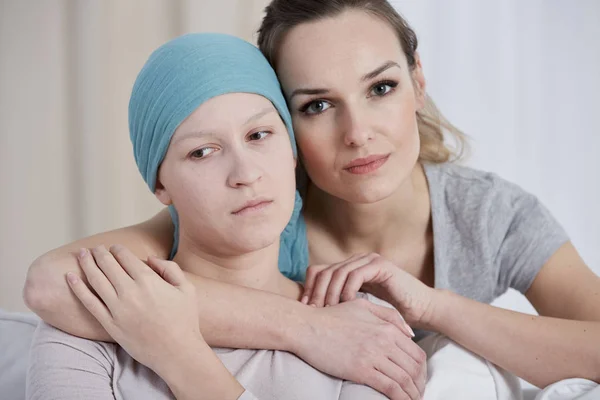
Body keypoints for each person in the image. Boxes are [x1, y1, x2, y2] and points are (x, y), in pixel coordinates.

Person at [24, 0, 600, 392]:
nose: (357, 133)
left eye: (381, 87)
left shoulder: (491, 215)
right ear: (284, 123)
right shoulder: (258, 209)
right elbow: (54, 283)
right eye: (317, 105)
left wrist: (432, 306)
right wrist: (310, 328)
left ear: (418, 81)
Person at [26, 32, 414, 400]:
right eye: (202, 152)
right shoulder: (86, 318)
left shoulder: (363, 326)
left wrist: (180, 356)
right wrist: (178, 352)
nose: (245, 174)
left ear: (292, 152)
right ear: (160, 185)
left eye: (259, 135)